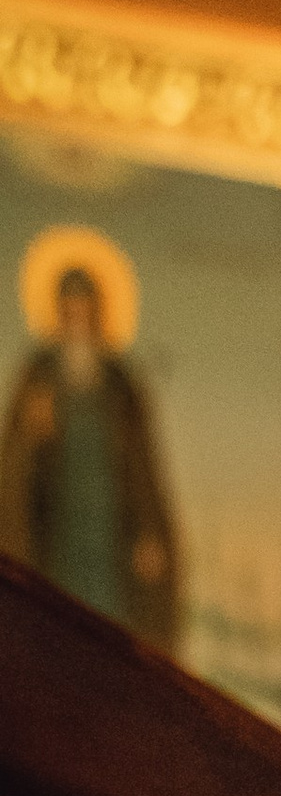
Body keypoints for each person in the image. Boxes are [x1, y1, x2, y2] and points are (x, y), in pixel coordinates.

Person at [0, 248, 179, 646]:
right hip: (58, 528)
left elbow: (143, 465)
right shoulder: (38, 374)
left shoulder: (118, 380)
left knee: (109, 630)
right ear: (57, 312)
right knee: (59, 626)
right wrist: (34, 432)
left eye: (85, 308)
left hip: (109, 529)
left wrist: (148, 531)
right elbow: (15, 464)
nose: (77, 318)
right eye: (69, 308)